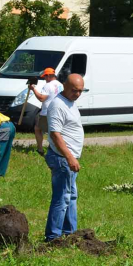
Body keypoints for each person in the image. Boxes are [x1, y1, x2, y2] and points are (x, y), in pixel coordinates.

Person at [45, 74, 85, 241]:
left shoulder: (70, 102)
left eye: (80, 91)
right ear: (64, 86)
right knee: (62, 198)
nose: (77, 94)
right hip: (62, 159)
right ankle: (53, 237)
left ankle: (70, 233)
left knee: (70, 196)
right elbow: (55, 134)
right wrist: (69, 157)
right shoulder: (58, 105)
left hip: (68, 158)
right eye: (74, 90)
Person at [29, 67, 62, 156]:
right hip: (58, 111)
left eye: (45, 77)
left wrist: (33, 89)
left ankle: (40, 149)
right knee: (56, 131)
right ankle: (58, 149)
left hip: (47, 112)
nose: (44, 79)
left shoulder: (48, 85)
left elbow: (41, 98)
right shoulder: (60, 85)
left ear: (48, 76)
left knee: (38, 129)